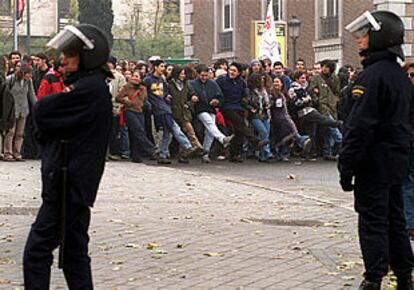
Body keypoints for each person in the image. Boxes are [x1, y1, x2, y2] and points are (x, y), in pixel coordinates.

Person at [23, 24, 112, 289]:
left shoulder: (89, 89)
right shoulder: (89, 85)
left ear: (88, 56)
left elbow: (43, 111)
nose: (63, 59)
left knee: (37, 251)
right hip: (70, 184)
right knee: (74, 254)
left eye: (70, 54)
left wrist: (47, 128)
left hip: (67, 185)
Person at [339, 11, 414, 290]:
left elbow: (359, 128)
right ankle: (405, 275)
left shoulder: (371, 77)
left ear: (381, 37)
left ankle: (373, 279)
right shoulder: (399, 75)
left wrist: (346, 166)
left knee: (373, 222)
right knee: (396, 221)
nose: (360, 41)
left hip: (373, 164)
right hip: (396, 163)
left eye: (365, 35)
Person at [144, 59, 198, 164]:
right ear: (155, 67)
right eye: (161, 66)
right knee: (174, 128)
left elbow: (165, 93)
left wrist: (167, 97)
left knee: (167, 133)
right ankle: (188, 146)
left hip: (165, 107)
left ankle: (163, 154)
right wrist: (148, 105)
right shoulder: (148, 80)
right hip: (158, 109)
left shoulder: (162, 80)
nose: (163, 69)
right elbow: (144, 94)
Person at [216, 62, 265, 162]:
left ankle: (234, 154)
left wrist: (248, 106)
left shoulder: (241, 82)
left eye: (234, 71)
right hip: (226, 107)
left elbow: (245, 96)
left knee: (239, 132)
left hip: (238, 107)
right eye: (230, 70)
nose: (232, 72)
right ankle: (255, 141)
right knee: (240, 123)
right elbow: (216, 91)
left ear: (239, 73)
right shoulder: (222, 80)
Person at [189, 65, 233, 163]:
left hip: (211, 108)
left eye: (206, 75)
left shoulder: (212, 84)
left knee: (210, 131)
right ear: (198, 74)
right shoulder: (192, 84)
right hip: (199, 108)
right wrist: (193, 97)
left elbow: (220, 96)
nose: (204, 77)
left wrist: (216, 101)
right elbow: (189, 94)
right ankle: (222, 139)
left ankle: (205, 152)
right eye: (202, 75)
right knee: (209, 123)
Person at [116, 70, 155, 163]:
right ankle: (151, 149)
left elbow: (144, 99)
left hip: (139, 111)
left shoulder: (143, 88)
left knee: (135, 133)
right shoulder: (126, 87)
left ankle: (136, 155)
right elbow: (118, 98)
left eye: (137, 76)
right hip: (129, 111)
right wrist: (126, 101)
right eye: (133, 76)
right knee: (139, 130)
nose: (135, 78)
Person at [309, 59, 342, 160]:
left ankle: (327, 152)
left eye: (327, 67)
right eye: (323, 66)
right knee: (332, 126)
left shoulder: (335, 78)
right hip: (322, 106)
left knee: (329, 130)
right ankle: (342, 143)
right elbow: (311, 90)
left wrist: (335, 101)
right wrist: (317, 99)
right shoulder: (316, 78)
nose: (324, 69)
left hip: (332, 105)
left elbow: (337, 91)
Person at [168, 66, 203, 163]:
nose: (183, 75)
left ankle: (190, 151)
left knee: (188, 130)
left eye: (184, 73)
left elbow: (192, 95)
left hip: (184, 112)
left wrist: (191, 102)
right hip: (173, 112)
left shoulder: (186, 84)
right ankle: (194, 146)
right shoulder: (169, 85)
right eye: (181, 73)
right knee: (178, 134)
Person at [3, 60, 36, 161]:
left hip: (23, 110)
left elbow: (31, 94)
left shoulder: (28, 81)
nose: (30, 75)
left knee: (20, 133)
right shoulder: (10, 80)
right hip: (12, 110)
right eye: (28, 73)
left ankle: (17, 152)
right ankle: (8, 153)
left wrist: (37, 105)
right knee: (10, 132)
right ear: (23, 72)